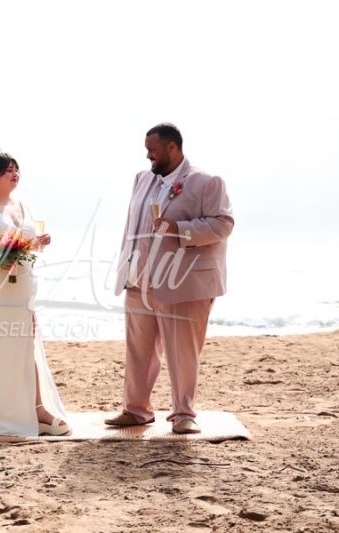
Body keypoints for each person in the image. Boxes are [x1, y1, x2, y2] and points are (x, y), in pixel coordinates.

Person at [109, 123, 234, 434]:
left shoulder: (207, 182)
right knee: (138, 349)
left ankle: (183, 414)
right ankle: (136, 410)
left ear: (172, 148)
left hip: (183, 282)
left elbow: (223, 224)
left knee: (181, 352)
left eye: (153, 150)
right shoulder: (141, 179)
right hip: (139, 278)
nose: (148, 156)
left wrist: (179, 228)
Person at [0, 152, 70, 436]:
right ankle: (7, 414)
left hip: (22, 282)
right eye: (9, 170)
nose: (15, 174)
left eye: (18, 169)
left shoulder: (21, 203)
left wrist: (37, 243)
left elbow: (22, 244)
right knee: (0, 346)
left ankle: (37, 410)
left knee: (27, 343)